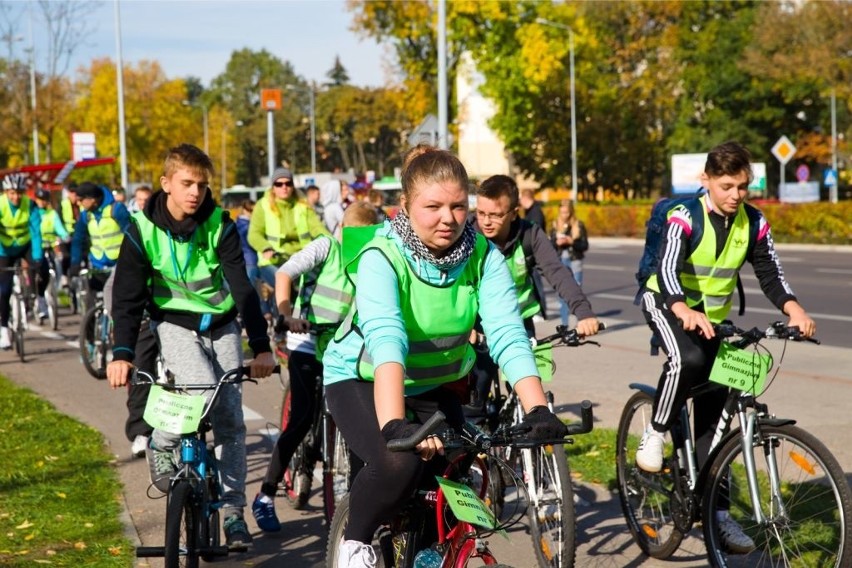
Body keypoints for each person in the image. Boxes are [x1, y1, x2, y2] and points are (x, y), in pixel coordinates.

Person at [323, 148, 570, 568]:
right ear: (405, 205)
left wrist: (538, 408)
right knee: (398, 462)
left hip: (435, 385)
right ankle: (354, 544)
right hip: (362, 380)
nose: (448, 218)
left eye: (458, 206)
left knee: (457, 473)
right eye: (432, 206)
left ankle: (423, 552)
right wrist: (394, 424)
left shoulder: (484, 256)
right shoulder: (382, 254)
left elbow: (509, 333)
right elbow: (387, 339)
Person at [635, 140, 816, 553]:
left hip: (712, 319)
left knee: (715, 411)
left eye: (742, 186)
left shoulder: (753, 222)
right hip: (664, 299)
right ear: (706, 180)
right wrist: (680, 306)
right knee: (688, 358)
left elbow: (770, 272)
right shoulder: (685, 215)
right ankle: (656, 431)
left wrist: (795, 310)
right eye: (726, 186)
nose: (735, 195)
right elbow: (666, 264)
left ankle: (717, 515)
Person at [106, 143, 276, 550]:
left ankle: (234, 514)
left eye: (201, 184)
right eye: (186, 183)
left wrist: (261, 346)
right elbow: (127, 298)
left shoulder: (219, 223)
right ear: (166, 184)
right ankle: (161, 443)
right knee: (200, 388)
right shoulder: (141, 229)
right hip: (175, 325)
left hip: (222, 325)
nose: (195, 192)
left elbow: (242, 287)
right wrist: (122, 354)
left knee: (231, 418)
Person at [251, 200, 379, 533]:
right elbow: (284, 273)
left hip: (342, 348)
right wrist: (285, 315)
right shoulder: (326, 246)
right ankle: (265, 495)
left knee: (359, 419)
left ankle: (356, 502)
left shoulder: (373, 258)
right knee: (302, 416)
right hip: (305, 340)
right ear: (342, 231)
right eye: (354, 238)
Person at [469, 175, 600, 411]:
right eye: (480, 213)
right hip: (476, 325)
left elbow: (557, 272)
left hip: (519, 321)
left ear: (513, 213)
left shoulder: (530, 234)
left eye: (495, 215)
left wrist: (584, 313)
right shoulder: (468, 236)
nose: (486, 221)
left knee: (529, 393)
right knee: (475, 399)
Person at [247, 167, 328, 321]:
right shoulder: (262, 205)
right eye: (279, 184)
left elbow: (318, 228)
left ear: (292, 186)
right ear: (273, 187)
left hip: (300, 259)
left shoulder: (303, 205)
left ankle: (306, 324)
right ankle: (280, 324)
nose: (284, 187)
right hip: (272, 260)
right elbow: (254, 234)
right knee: (284, 282)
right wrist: (266, 247)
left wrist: (331, 242)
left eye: (288, 183)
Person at [68, 182, 131, 310]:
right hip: (98, 266)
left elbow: (131, 235)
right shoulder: (86, 214)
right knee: (90, 306)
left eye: (81, 200)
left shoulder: (116, 209)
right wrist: (75, 263)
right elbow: (78, 239)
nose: (79, 203)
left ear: (92, 199)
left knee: (117, 304)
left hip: (118, 264)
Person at [0, 173, 42, 349]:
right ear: (5, 192)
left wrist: (38, 258)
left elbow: (36, 233)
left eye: (18, 193)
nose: (15, 197)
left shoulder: (30, 205)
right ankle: (3, 330)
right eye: (11, 193)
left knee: (41, 267)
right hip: (4, 248)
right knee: (4, 289)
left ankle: (37, 299)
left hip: (25, 245)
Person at [33, 187, 70, 320]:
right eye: (40, 199)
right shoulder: (33, 213)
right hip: (37, 247)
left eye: (45, 200)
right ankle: (37, 296)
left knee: (55, 267)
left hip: (50, 246)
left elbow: (59, 228)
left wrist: (65, 236)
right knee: (38, 271)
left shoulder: (52, 214)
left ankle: (56, 287)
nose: (42, 202)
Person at [550, 199, 589, 326]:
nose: (564, 215)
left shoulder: (578, 225)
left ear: (571, 212)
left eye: (566, 212)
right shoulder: (556, 225)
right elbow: (549, 247)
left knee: (577, 292)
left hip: (575, 260)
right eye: (562, 213)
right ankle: (564, 324)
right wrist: (557, 243)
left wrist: (572, 241)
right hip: (561, 260)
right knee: (562, 292)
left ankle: (580, 323)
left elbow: (584, 245)